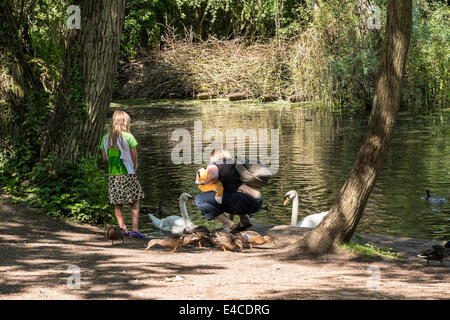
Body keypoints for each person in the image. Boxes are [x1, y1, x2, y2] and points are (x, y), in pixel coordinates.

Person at [100, 110, 146, 238]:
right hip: (128, 174)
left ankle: (123, 229)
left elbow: (104, 158)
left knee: (117, 204)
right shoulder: (129, 137)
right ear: (125, 122)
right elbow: (134, 156)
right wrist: (134, 167)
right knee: (134, 201)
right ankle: (135, 230)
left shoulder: (105, 138)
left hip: (113, 176)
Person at [194, 150, 263, 232]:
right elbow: (231, 195)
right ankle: (246, 221)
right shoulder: (236, 164)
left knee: (200, 199)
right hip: (257, 202)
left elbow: (212, 178)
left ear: (213, 157)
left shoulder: (214, 164)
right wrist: (231, 218)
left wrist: (204, 184)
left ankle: (229, 224)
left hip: (242, 200)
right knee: (233, 193)